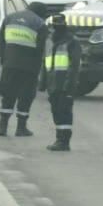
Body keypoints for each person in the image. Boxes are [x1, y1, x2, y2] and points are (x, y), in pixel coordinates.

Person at [0, 1, 48, 137]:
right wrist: (38, 70)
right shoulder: (40, 24)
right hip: (29, 66)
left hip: (10, 63)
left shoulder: (9, 18)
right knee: (26, 95)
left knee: (8, 93)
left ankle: (2, 126)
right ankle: (21, 128)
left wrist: (4, 59)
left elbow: (1, 41)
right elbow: (40, 49)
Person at [40, 11, 83, 152]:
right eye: (55, 25)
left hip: (65, 84)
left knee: (64, 112)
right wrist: (43, 83)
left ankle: (64, 141)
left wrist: (70, 87)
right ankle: (59, 139)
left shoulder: (72, 41)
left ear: (65, 24)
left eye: (59, 24)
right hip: (52, 84)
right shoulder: (49, 40)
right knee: (56, 112)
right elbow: (45, 63)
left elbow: (75, 66)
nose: (56, 27)